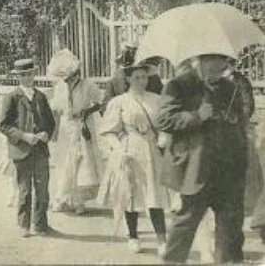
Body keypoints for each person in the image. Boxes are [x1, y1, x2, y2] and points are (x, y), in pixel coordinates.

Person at [157, 54, 252, 264]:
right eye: (219, 61)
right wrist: (197, 116)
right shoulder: (179, 85)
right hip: (195, 168)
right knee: (185, 223)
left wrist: (234, 120)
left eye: (226, 61)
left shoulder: (230, 86)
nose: (225, 66)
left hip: (227, 168)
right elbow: (163, 119)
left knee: (230, 228)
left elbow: (241, 117)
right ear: (203, 60)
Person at [96, 60, 169, 256]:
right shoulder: (119, 102)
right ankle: (133, 236)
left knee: (155, 194)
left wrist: (163, 137)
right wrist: (119, 149)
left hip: (152, 151)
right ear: (128, 79)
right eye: (136, 77)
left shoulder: (156, 99)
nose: (141, 81)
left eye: (144, 77)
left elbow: (165, 124)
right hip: (130, 150)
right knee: (131, 193)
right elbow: (107, 131)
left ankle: (162, 240)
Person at [0, 58, 56, 238]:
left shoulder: (41, 96)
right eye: (23, 75)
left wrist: (46, 133)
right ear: (18, 77)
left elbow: (50, 122)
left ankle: (40, 224)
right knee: (24, 190)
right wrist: (23, 136)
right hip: (22, 150)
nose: (28, 78)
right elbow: (4, 125)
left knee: (43, 189)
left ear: (34, 74)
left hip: (40, 150)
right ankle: (24, 225)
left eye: (30, 74)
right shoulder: (12, 97)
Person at [49, 49, 102, 215]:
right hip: (66, 127)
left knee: (81, 162)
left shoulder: (88, 85)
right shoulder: (60, 87)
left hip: (82, 125)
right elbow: (56, 110)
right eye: (66, 78)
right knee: (65, 162)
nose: (69, 80)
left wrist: (86, 111)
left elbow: (101, 101)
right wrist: (55, 131)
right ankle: (61, 198)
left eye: (71, 77)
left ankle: (79, 201)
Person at [102, 45, 164, 112]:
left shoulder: (153, 79)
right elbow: (105, 108)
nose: (141, 80)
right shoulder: (115, 81)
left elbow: (162, 101)